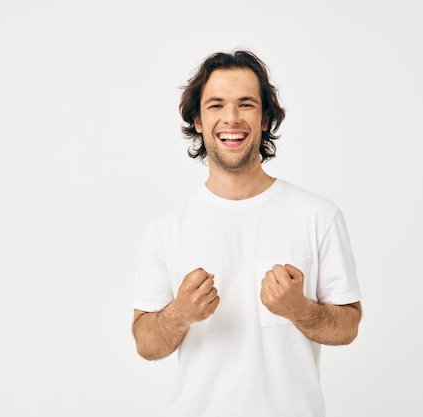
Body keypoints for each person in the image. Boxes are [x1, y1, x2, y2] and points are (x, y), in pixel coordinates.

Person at [132, 50, 362, 417]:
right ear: (198, 119)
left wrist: (299, 309)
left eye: (246, 104)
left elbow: (348, 326)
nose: (231, 118)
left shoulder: (318, 215)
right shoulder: (167, 228)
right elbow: (145, 342)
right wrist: (179, 314)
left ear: (266, 118)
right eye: (216, 105)